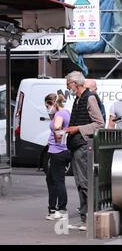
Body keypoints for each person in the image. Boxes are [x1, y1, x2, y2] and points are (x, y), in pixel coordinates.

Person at [65, 71, 104, 231]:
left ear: (75, 83)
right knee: (80, 183)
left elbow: (99, 124)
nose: (67, 87)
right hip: (77, 144)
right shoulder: (78, 99)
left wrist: (77, 128)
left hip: (83, 144)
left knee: (84, 182)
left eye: (68, 84)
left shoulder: (89, 97)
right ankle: (85, 218)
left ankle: (89, 218)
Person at [44, 93, 72, 221]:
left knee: (58, 181)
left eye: (47, 106)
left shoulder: (59, 114)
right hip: (61, 151)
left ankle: (61, 210)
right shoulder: (66, 112)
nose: (47, 109)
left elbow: (57, 127)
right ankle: (53, 209)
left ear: (53, 104)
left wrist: (57, 136)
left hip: (58, 152)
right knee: (51, 179)